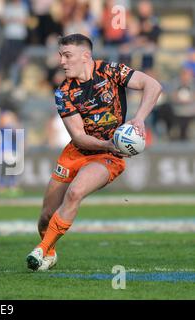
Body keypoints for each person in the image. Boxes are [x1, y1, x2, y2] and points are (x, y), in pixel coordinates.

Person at [26, 34, 162, 271]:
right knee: (46, 217)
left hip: (109, 156)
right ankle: (50, 251)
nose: (62, 62)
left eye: (67, 55)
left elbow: (153, 85)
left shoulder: (111, 71)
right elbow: (79, 136)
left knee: (75, 192)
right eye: (61, 56)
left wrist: (139, 119)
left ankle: (40, 250)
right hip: (77, 152)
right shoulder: (63, 92)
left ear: (85, 56)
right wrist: (110, 143)